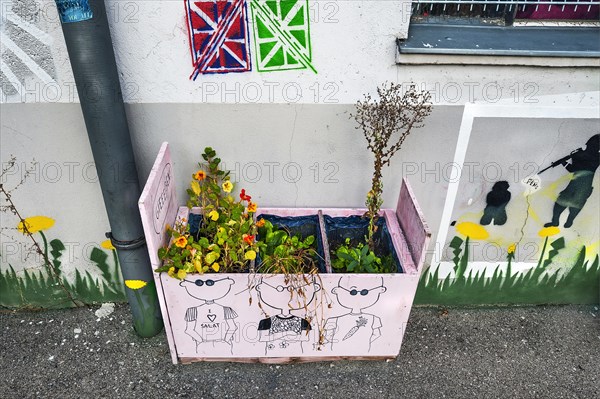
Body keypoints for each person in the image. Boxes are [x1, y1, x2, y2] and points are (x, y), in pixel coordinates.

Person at [545, 134, 600, 228]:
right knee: (574, 203)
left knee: (564, 202)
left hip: (578, 184)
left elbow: (573, 168)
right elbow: (574, 168)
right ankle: (567, 221)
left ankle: (560, 221)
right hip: (584, 185)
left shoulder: (588, 156)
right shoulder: (595, 157)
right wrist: (570, 159)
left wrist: (565, 162)